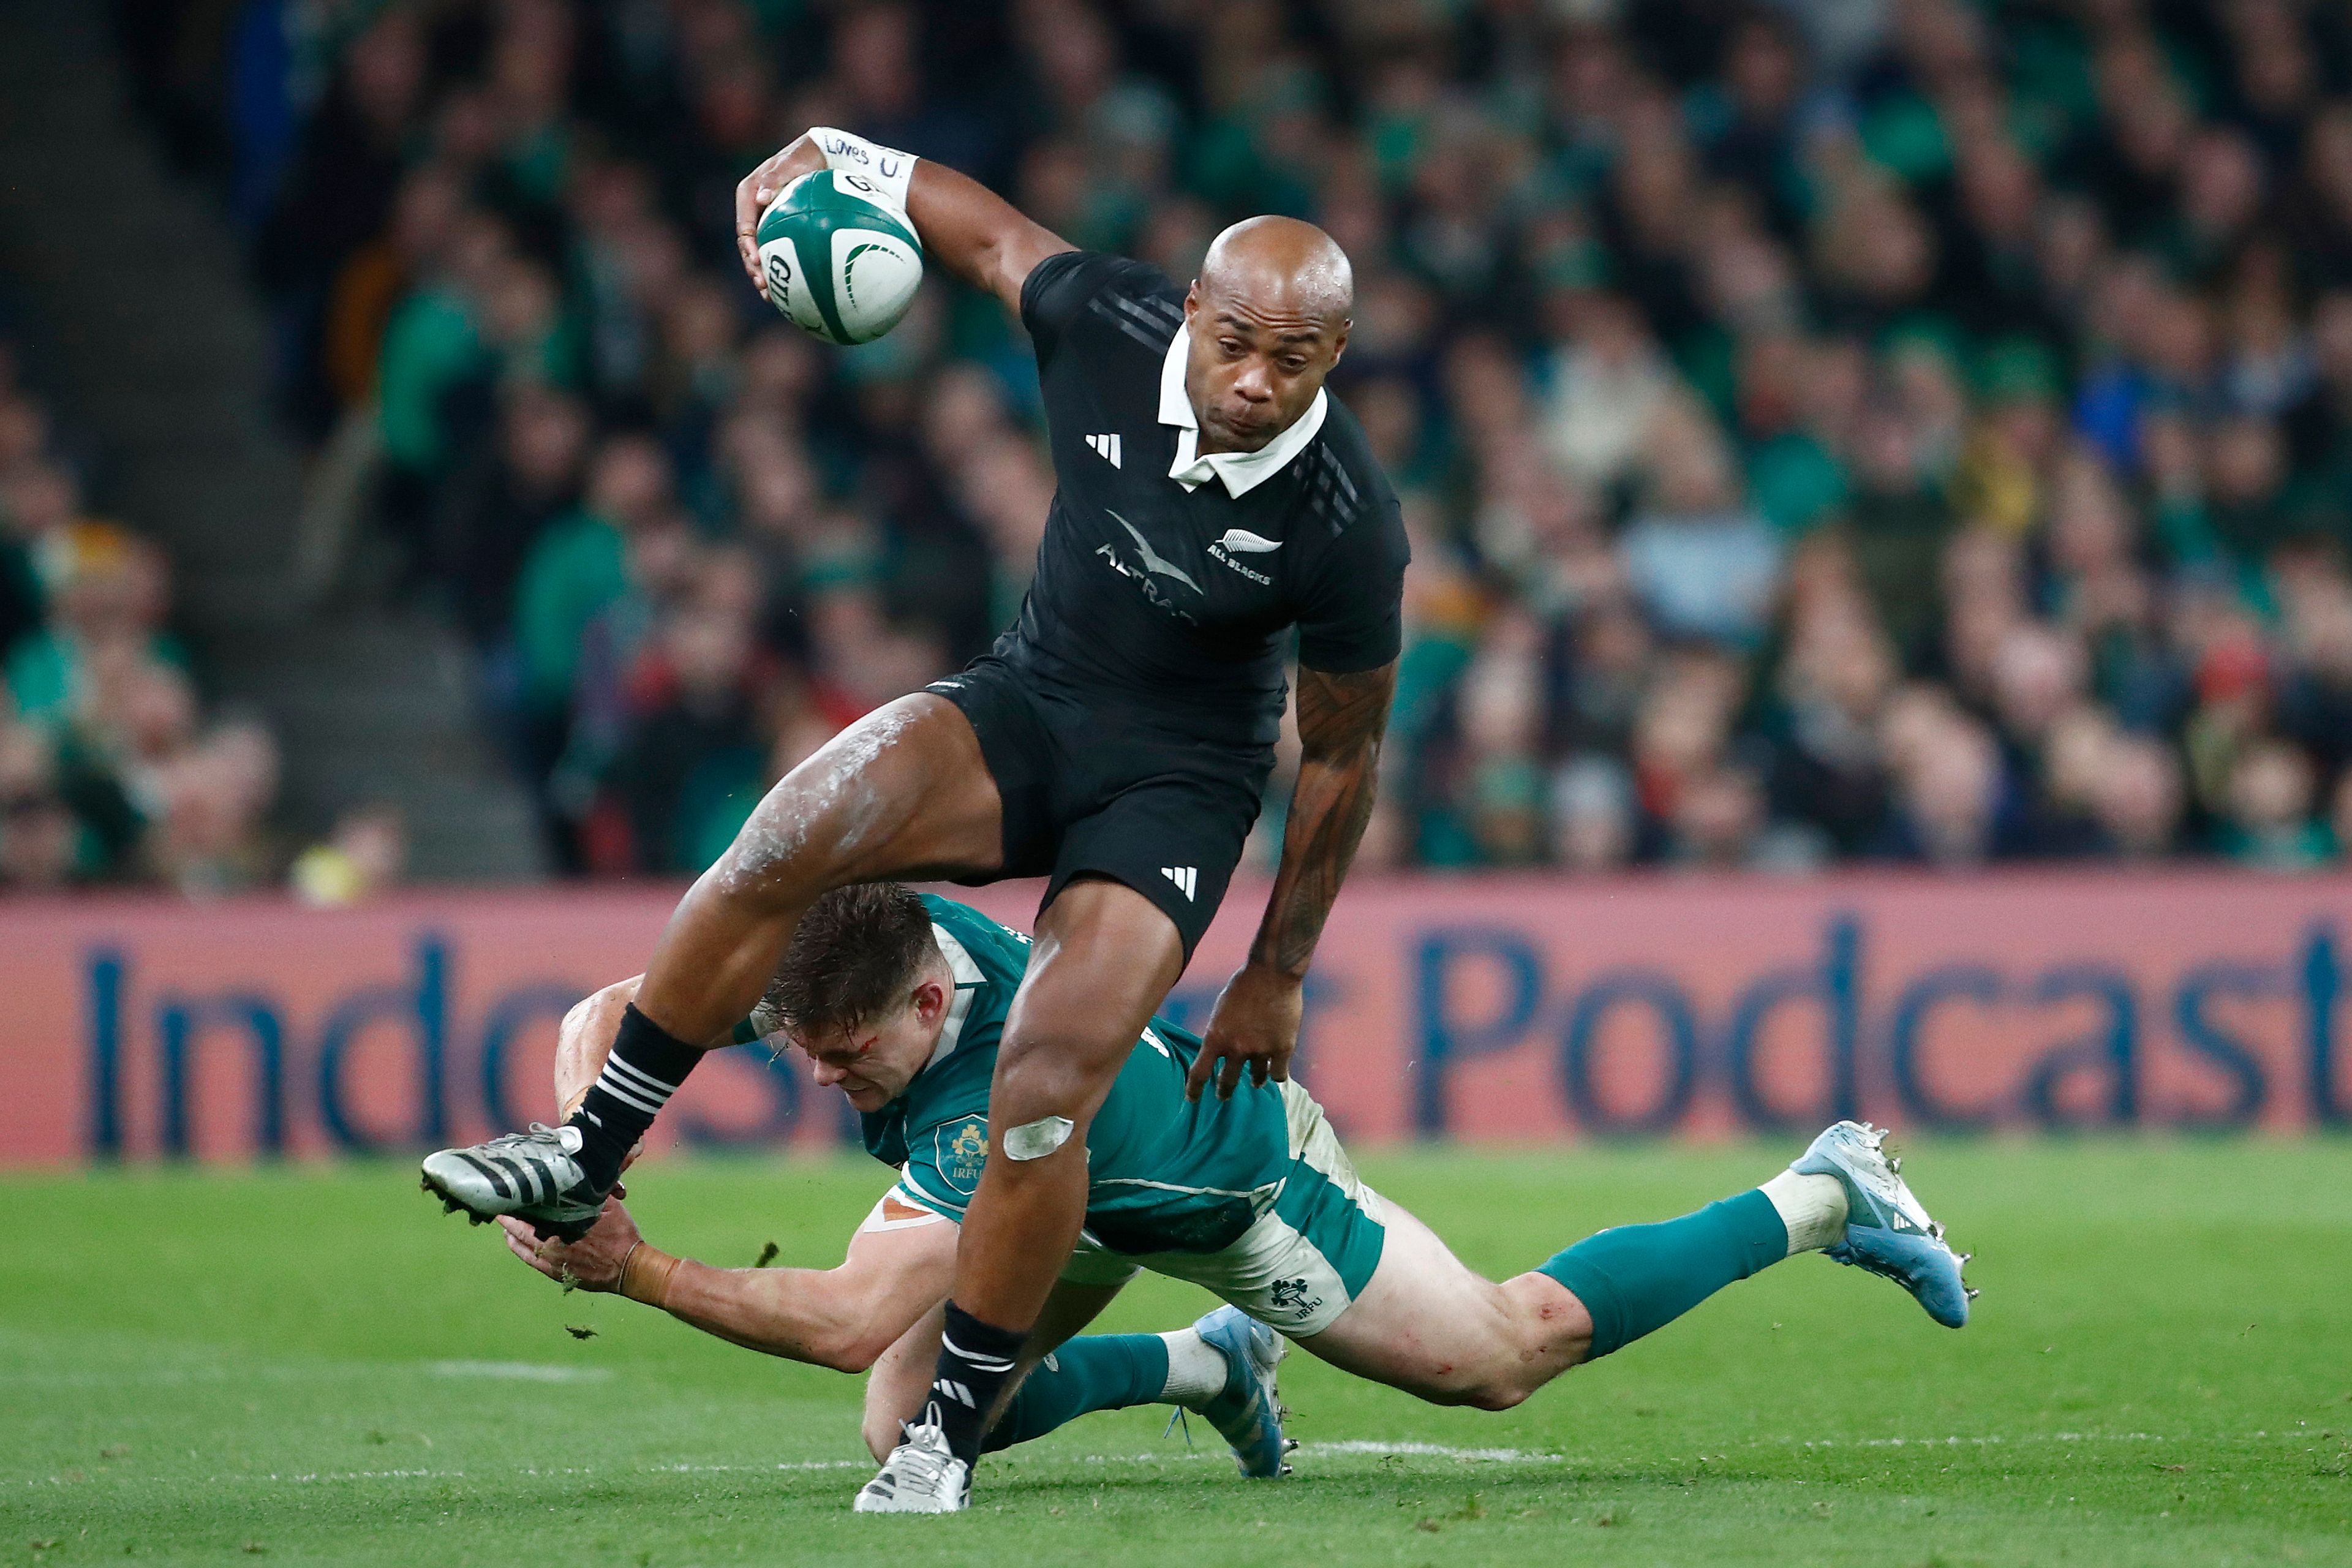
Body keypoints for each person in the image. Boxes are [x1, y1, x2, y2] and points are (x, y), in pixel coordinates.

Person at [422, 124, 1411, 1512]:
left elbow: (1345, 757)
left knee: (1047, 1080)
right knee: (784, 835)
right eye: (1236, 340)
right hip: (1033, 701)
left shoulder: (1348, 517)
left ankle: (944, 1433)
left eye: (1293, 360)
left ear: (1336, 358)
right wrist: (842, 154)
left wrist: (1278, 967)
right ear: (1190, 308)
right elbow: (991, 232)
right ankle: (584, 1156)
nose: (1255, 380)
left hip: (1174, 785)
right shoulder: (1113, 319)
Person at [478, 884, 1975, 1511]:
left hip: (1224, 1183)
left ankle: (1821, 1188)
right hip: (1074, 1199)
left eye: (849, 1057)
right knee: (917, 1422)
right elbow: (621, 1003)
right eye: (806, 1052)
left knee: (1507, 1355)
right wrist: (581, 1147)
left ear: (934, 1003)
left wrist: (638, 1267)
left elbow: (843, 1313)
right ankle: (1206, 1366)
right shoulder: (865, 955)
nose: (820, 1079)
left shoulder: (984, 1081)